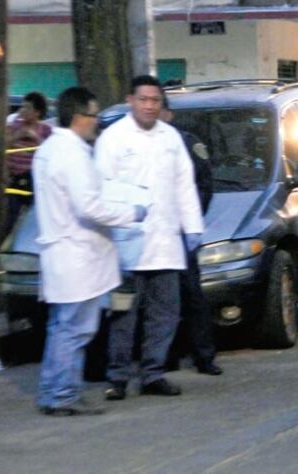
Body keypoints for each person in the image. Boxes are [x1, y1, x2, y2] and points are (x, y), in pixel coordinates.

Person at [32, 87, 146, 416]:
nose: (97, 122)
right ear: (80, 116)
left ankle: (52, 391)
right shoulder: (73, 154)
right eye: (94, 115)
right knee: (76, 329)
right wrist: (131, 214)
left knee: (61, 327)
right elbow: (90, 207)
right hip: (78, 255)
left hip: (62, 253)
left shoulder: (49, 149)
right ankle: (63, 395)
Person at [95, 75, 204, 399]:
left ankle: (153, 373)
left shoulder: (171, 138)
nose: (148, 106)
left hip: (166, 243)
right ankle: (117, 377)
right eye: (143, 99)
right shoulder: (113, 138)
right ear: (131, 100)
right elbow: (101, 188)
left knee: (165, 313)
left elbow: (185, 186)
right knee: (123, 314)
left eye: (155, 100)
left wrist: (193, 227)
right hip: (126, 245)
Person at [159, 94, 221, 376]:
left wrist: (190, 222)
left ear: (168, 115)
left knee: (192, 296)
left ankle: (203, 356)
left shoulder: (186, 143)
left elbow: (204, 186)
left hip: (182, 234)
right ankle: (166, 355)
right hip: (154, 236)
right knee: (161, 301)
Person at [5, 92, 53, 233]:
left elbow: (50, 153)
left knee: (35, 214)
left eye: (27, 108)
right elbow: (2, 148)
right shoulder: (13, 126)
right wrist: (16, 137)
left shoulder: (45, 130)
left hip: (33, 179)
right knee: (11, 215)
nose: (22, 110)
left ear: (37, 112)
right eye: (22, 107)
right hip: (14, 178)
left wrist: (36, 139)